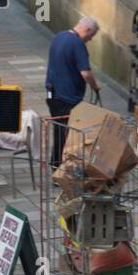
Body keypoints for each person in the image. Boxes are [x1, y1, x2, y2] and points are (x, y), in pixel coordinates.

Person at [45, 15, 103, 168]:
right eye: (91, 36)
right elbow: (86, 73)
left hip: (53, 94)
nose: (90, 39)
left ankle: (57, 165)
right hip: (67, 97)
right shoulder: (77, 44)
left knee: (59, 131)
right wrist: (95, 86)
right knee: (68, 135)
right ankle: (60, 167)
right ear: (88, 29)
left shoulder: (59, 37)